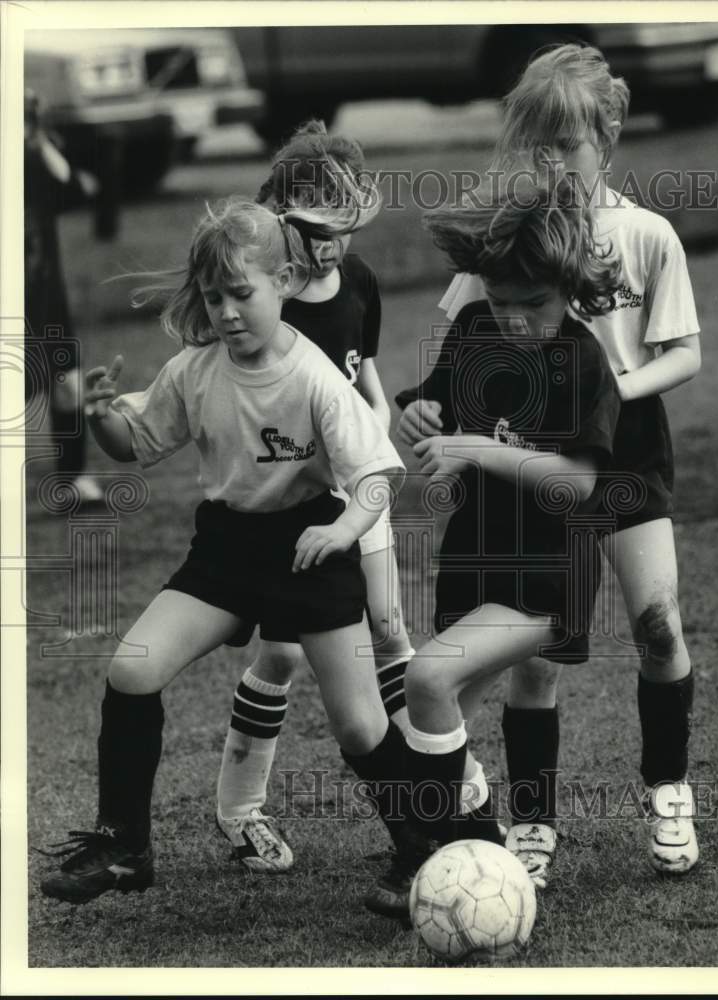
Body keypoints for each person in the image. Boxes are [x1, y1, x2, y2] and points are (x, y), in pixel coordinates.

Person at [38, 196, 408, 905]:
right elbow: (137, 446)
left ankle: (422, 848)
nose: (227, 312)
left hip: (310, 542)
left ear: (284, 282)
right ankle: (123, 848)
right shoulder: (196, 367)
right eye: (214, 298)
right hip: (230, 548)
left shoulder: (316, 379)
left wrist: (340, 532)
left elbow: (379, 474)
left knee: (361, 724)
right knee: (131, 669)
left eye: (242, 293)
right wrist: (103, 416)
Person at [398, 44, 701, 888]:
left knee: (657, 623)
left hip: (625, 457)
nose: (549, 161)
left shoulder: (646, 234)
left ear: (607, 136)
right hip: (533, 467)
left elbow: (685, 354)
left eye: (563, 144)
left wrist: (611, 388)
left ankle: (667, 787)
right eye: (533, 145)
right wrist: (431, 409)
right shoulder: (510, 238)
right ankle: (531, 820)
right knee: (534, 656)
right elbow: (460, 344)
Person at [371, 175, 622, 915]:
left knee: (427, 681)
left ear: (569, 288)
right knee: (426, 720)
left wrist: (473, 448)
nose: (513, 320)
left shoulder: (582, 363)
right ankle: (466, 840)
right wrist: (417, 418)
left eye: (533, 306)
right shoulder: (476, 326)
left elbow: (575, 484)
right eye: (501, 300)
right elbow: (431, 408)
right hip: (475, 561)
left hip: (549, 576)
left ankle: (445, 852)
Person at [213, 123, 414, 877]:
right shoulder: (269, 300)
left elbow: (364, 371)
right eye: (314, 230)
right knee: (284, 652)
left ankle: (439, 782)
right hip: (301, 496)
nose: (330, 246)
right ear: (282, 221)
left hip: (360, 481)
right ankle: (240, 811)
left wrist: (379, 418)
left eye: (344, 228)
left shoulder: (360, 282)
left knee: (391, 630)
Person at [24, 88, 104, 505]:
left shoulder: (33, 159)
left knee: (69, 385)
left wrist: (37, 140)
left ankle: (72, 479)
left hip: (44, 293)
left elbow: (74, 188)